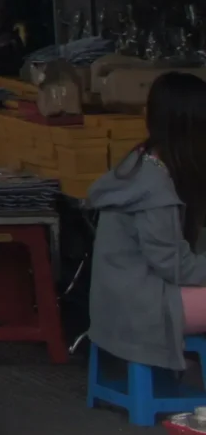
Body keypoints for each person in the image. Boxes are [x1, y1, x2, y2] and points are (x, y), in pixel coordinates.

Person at [86, 70, 206, 379]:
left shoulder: (140, 162)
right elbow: (175, 266)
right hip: (142, 306)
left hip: (119, 298)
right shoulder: (155, 188)